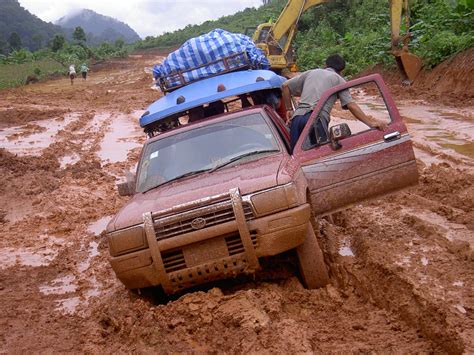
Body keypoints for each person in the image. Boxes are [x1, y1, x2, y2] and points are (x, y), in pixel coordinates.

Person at [282, 54, 387, 152]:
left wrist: (289, 109)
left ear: (326, 65)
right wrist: (370, 123)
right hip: (315, 121)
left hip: (297, 118)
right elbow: (350, 104)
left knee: (295, 155)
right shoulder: (339, 79)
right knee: (318, 157)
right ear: (341, 70)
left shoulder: (310, 72)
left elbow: (285, 86)